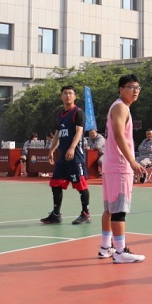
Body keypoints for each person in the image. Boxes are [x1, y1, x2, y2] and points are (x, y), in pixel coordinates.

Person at [98, 74, 147, 263]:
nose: (135, 90)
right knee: (119, 210)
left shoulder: (119, 106)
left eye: (137, 87)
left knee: (110, 209)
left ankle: (106, 247)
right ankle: (120, 252)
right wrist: (132, 161)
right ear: (121, 89)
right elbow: (119, 135)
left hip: (111, 165)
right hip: (119, 165)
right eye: (131, 87)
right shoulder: (120, 107)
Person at [40, 86, 91, 225]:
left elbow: (79, 132)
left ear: (75, 96)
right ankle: (56, 214)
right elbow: (57, 135)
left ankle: (85, 213)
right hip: (63, 157)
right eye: (65, 93)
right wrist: (51, 150)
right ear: (61, 96)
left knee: (81, 185)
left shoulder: (78, 112)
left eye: (70, 93)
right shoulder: (59, 115)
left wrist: (72, 148)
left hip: (76, 156)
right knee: (55, 183)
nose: (68, 95)